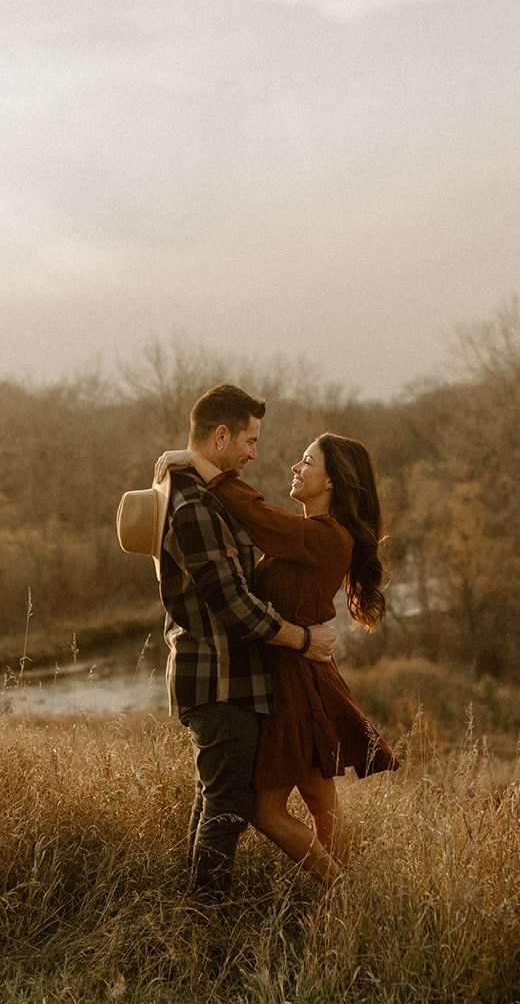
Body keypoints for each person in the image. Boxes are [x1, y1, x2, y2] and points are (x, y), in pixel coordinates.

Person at [157, 432, 399, 884]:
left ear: (331, 482)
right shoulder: (309, 535)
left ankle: (342, 890)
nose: (295, 467)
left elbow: (254, 513)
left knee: (264, 808)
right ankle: (348, 898)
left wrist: (197, 461)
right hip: (297, 672)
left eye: (307, 461)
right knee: (319, 799)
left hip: (296, 679)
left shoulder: (325, 537)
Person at [156, 383, 336, 898]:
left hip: (226, 677)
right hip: (219, 678)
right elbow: (235, 607)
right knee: (228, 806)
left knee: (216, 797)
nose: (255, 454)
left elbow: (255, 516)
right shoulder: (193, 508)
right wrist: (304, 640)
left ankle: (196, 915)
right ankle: (206, 922)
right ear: (220, 436)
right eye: (250, 441)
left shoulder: (201, 496)